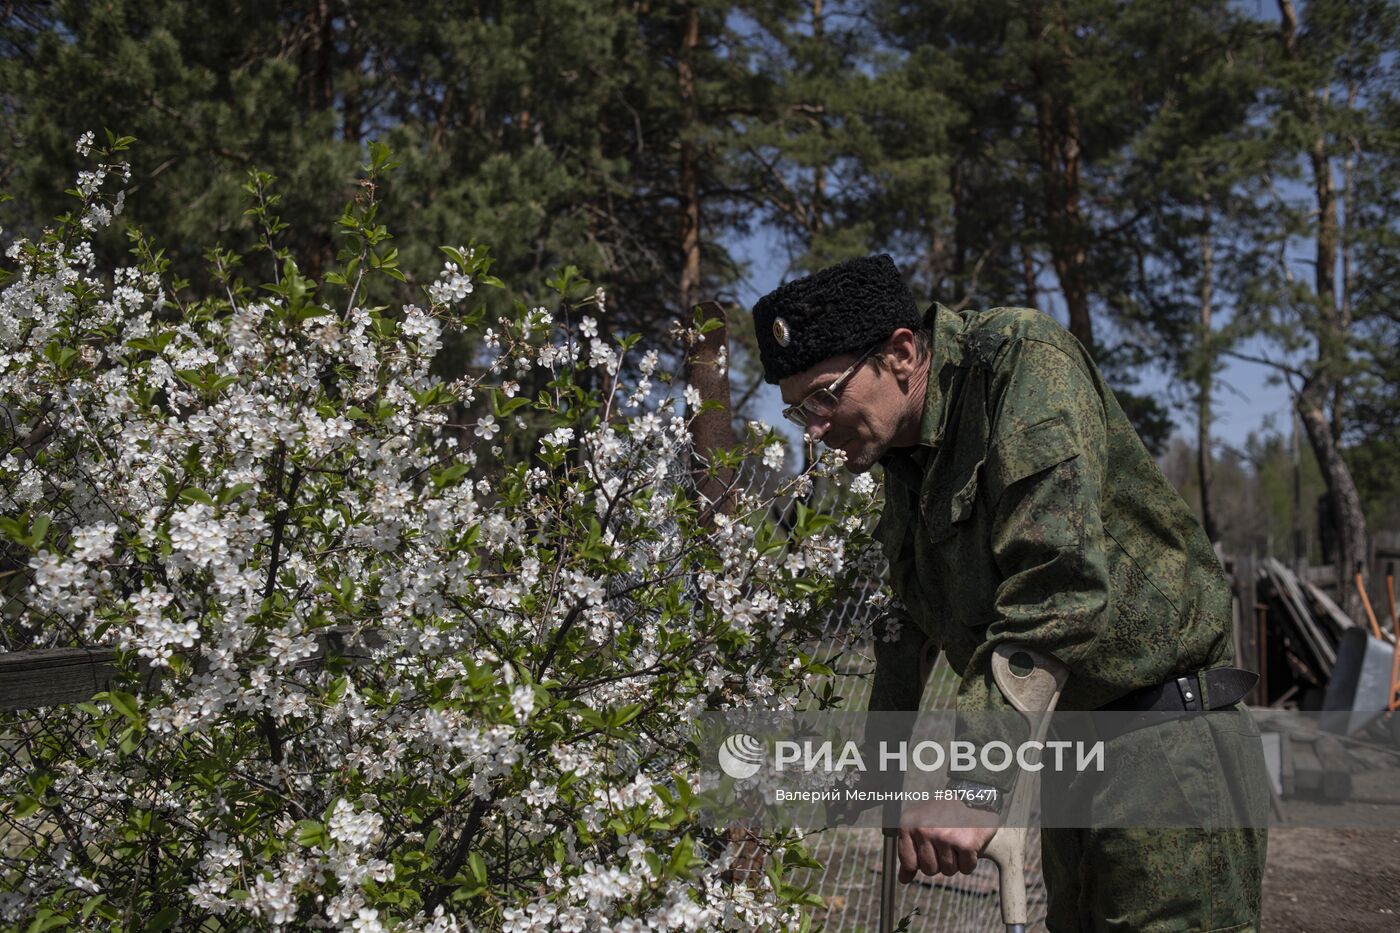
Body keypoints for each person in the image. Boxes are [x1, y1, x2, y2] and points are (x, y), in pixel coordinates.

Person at [751, 253, 1267, 931]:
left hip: (1168, 751)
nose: (814, 429)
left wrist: (970, 783)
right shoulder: (904, 459)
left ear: (902, 353)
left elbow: (1059, 588)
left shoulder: (1019, 363)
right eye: (796, 412)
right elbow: (907, 625)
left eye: (825, 394)